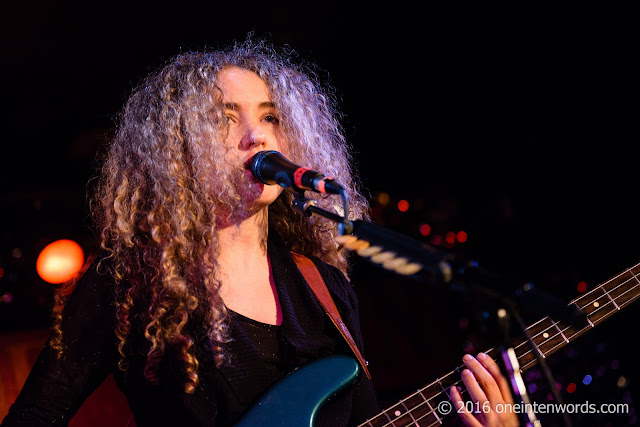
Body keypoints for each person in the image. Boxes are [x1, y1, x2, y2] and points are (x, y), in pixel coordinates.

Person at [2, 39, 517, 426]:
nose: (258, 135)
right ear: (177, 154)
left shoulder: (324, 287)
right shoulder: (129, 284)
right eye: (226, 120)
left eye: (269, 116)